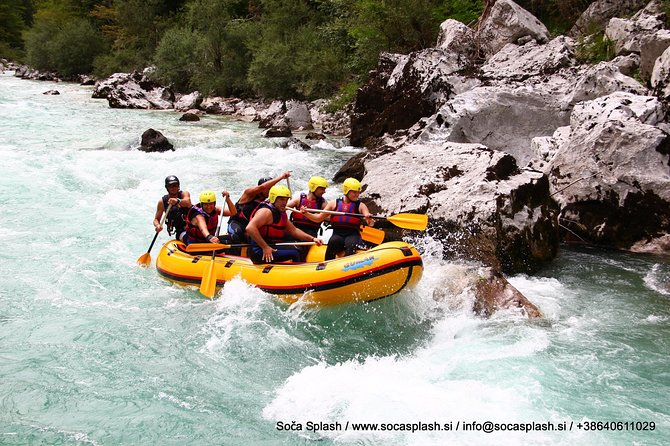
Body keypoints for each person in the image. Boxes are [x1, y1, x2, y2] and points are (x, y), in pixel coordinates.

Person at [245, 185, 322, 263]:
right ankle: (298, 272)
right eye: (281, 199)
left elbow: (294, 231)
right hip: (259, 251)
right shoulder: (266, 212)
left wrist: (312, 239)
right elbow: (250, 228)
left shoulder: (281, 213)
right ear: (273, 199)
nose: (284, 203)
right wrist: (265, 247)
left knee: (297, 247)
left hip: (272, 246)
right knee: (295, 252)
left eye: (286, 200)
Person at [227, 171, 292, 243]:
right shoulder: (248, 194)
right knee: (236, 236)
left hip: (251, 226)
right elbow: (262, 187)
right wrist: (281, 177)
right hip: (237, 223)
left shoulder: (270, 200)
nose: (270, 191)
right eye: (269, 188)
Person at [323, 178, 374, 261]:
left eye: (358, 192)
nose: (357, 194)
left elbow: (371, 224)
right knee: (333, 242)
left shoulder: (361, 206)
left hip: (352, 234)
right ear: (346, 191)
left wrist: (369, 219)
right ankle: (327, 267)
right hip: (337, 234)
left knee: (350, 245)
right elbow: (318, 218)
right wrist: (306, 213)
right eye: (354, 192)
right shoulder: (333, 203)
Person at [154, 175, 192, 242]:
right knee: (189, 240)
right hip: (181, 230)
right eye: (170, 186)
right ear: (167, 188)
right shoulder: (162, 202)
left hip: (193, 226)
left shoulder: (184, 194)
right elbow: (156, 219)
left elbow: (187, 202)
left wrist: (178, 201)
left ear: (178, 186)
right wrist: (157, 225)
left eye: (175, 185)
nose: (173, 188)